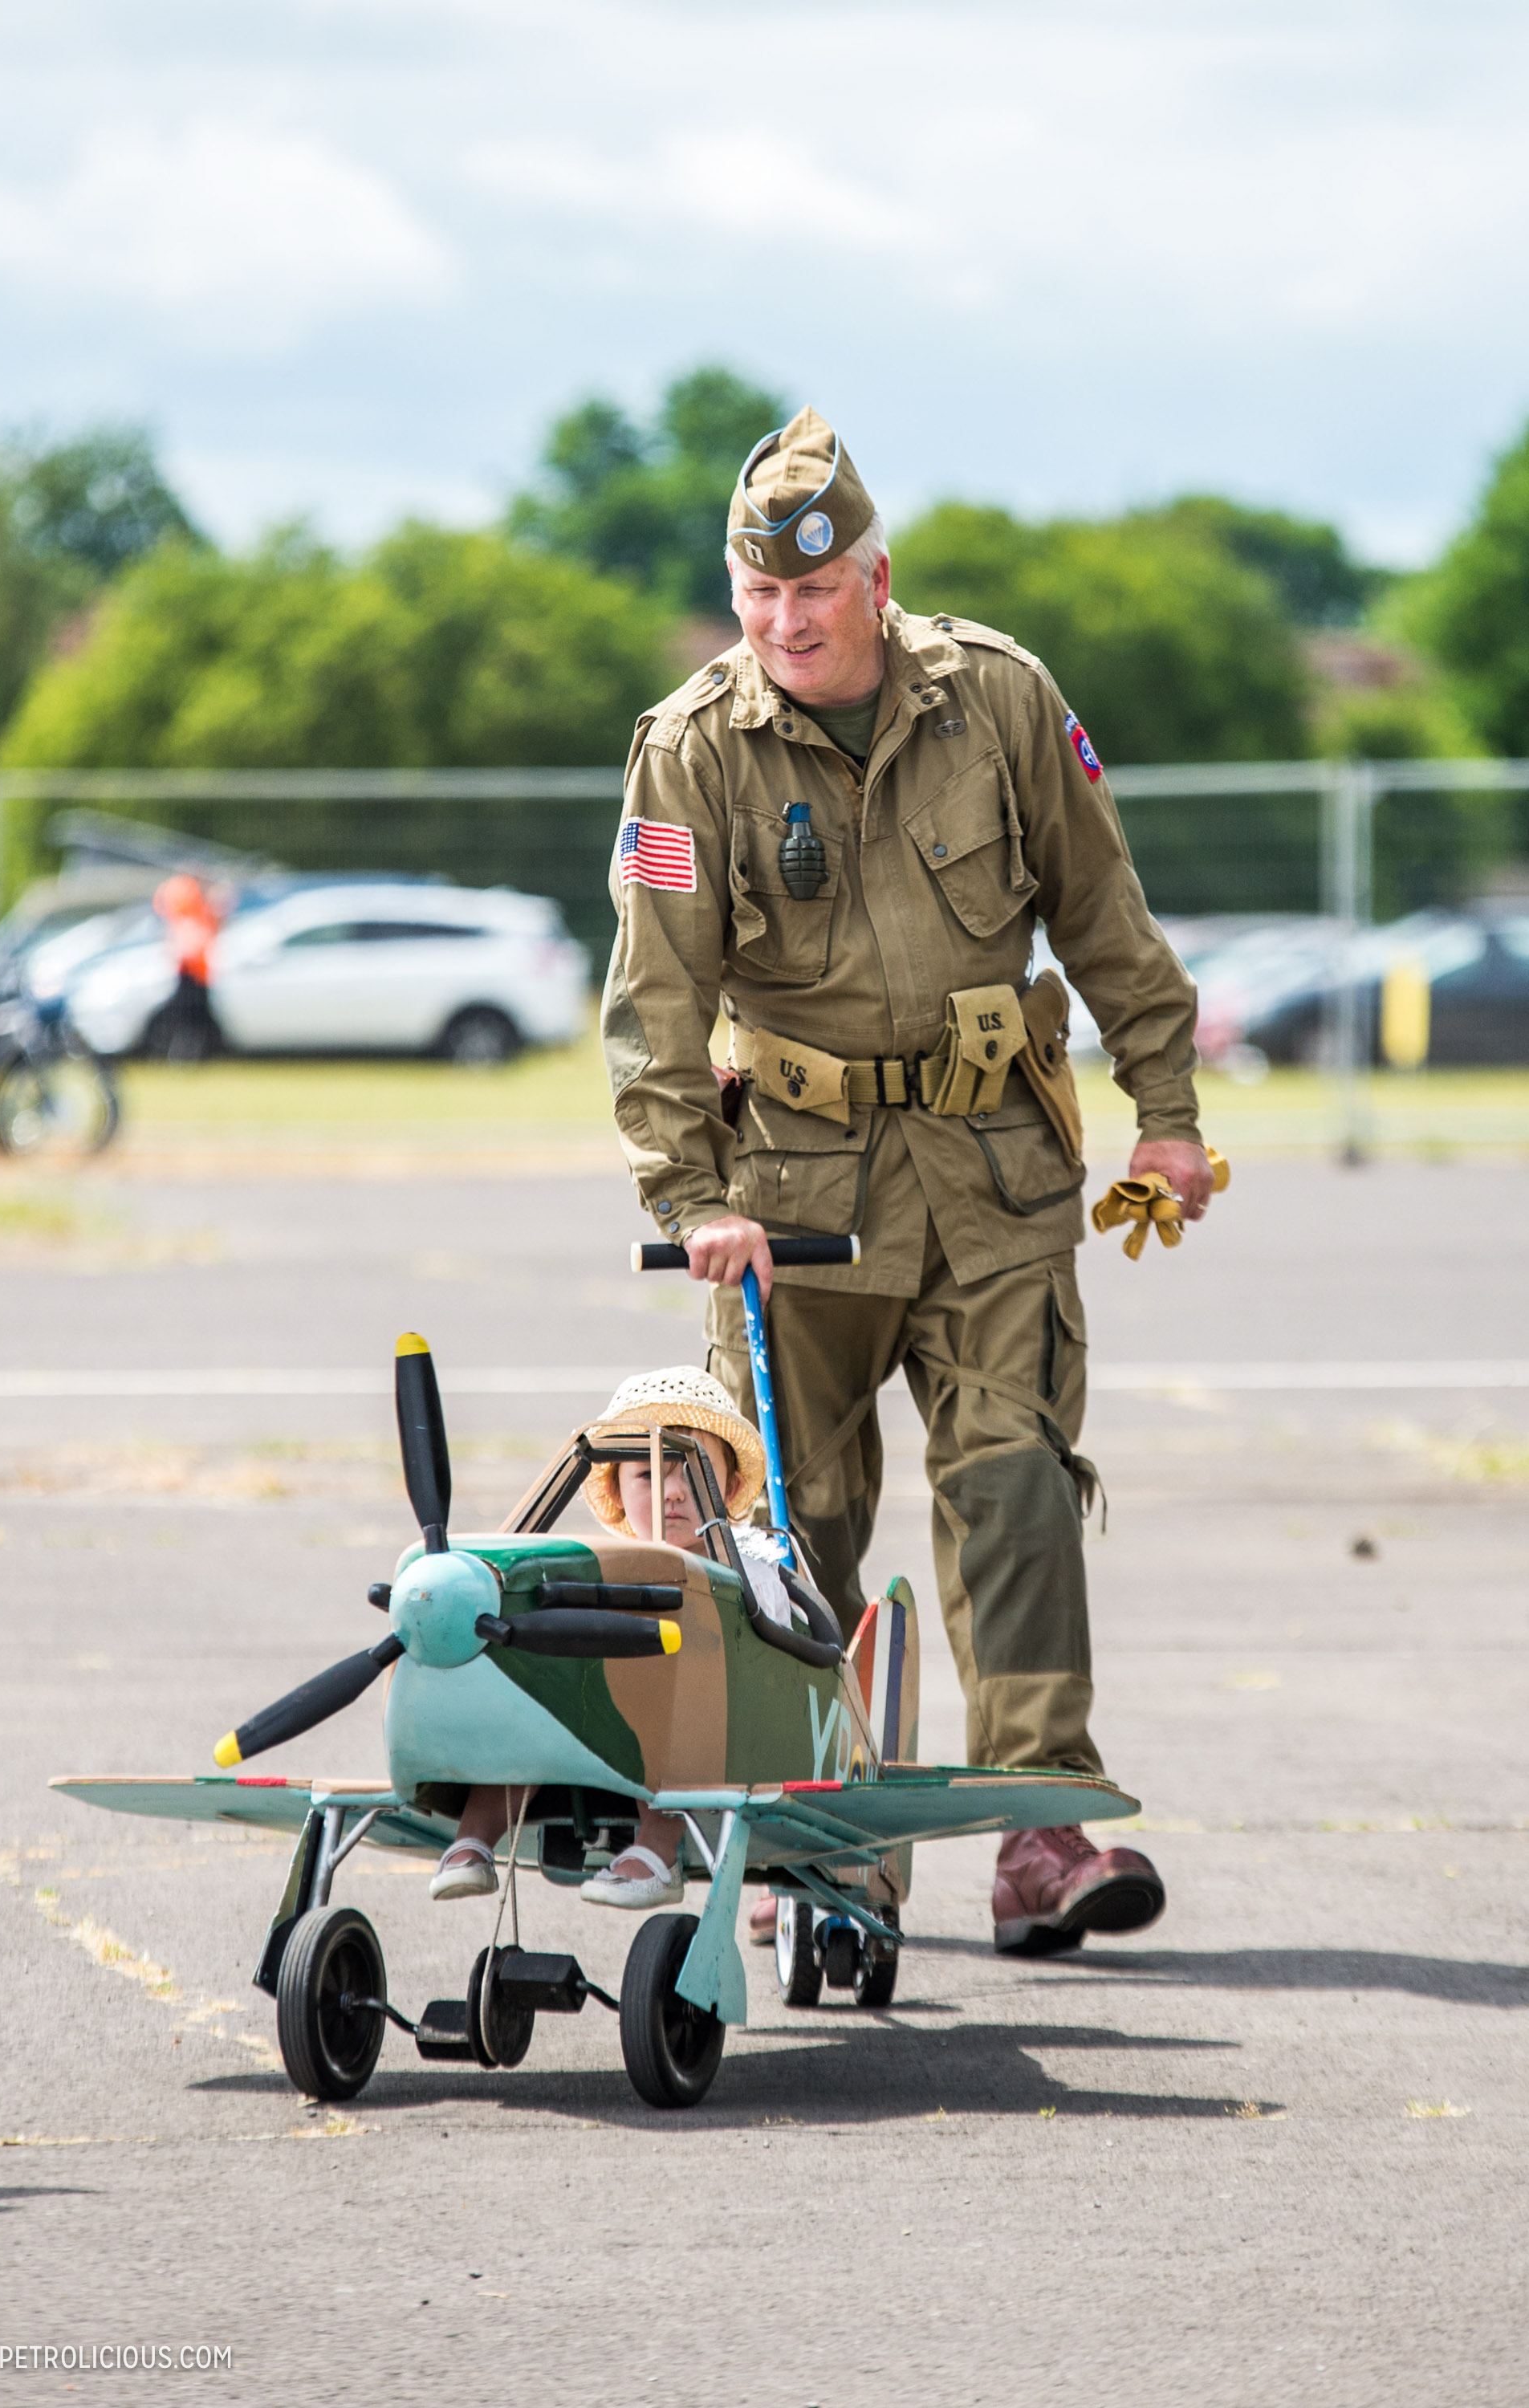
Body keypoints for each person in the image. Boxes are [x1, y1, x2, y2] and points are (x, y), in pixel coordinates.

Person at [600, 406, 1214, 1956]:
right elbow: (655, 999)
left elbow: (1104, 912)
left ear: (873, 578)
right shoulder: (690, 748)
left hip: (995, 1169)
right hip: (794, 1193)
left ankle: (1039, 1832)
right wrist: (688, 1199)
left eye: (811, 594)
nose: (783, 624)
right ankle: (828, 1843)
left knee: (1011, 1483)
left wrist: (1167, 1111)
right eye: (756, 595)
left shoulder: (1000, 700)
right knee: (795, 1523)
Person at [428, 1367, 792, 1910]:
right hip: (600, 1733)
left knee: (669, 1684)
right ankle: (475, 1835)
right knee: (536, 1679)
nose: (671, 1491)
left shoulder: (753, 1572)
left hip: (729, 1737)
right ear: (618, 1495)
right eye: (646, 1474)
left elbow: (772, 1665)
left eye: (692, 1473)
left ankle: (658, 1845)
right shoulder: (604, 1572)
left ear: (732, 1487)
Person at [151, 872, 226, 1059]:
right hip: (189, 967)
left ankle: (190, 1053)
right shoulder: (185, 900)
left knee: (193, 1017)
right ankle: (181, 1052)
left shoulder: (200, 910)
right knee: (186, 1015)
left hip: (197, 968)